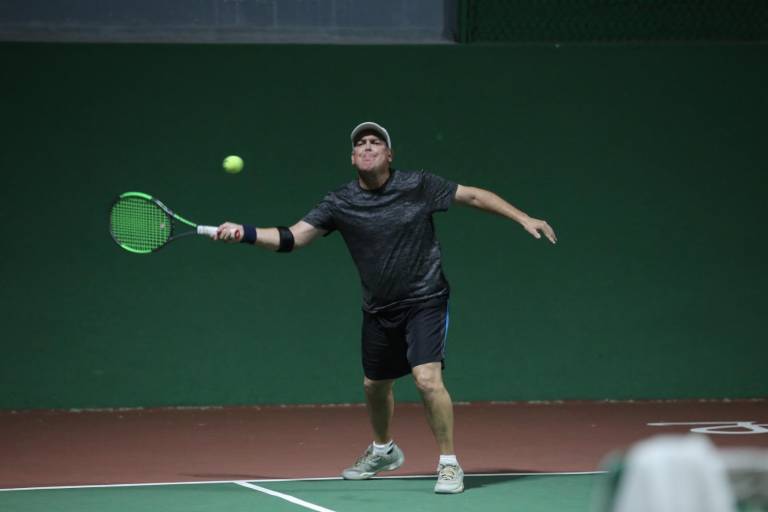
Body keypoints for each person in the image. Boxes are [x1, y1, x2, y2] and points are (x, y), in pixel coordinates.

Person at [214, 121, 557, 494]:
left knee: (427, 379)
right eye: (360, 144)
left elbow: (472, 196)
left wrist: (523, 216)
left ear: (389, 155)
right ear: (352, 157)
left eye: (375, 142)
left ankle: (448, 464)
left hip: (425, 299)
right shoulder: (340, 202)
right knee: (374, 385)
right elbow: (293, 238)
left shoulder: (418, 185)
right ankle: (384, 450)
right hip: (379, 309)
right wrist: (245, 232)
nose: (367, 147)